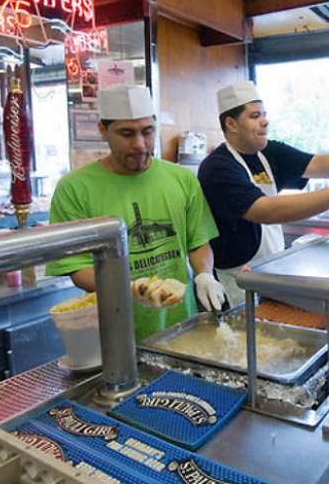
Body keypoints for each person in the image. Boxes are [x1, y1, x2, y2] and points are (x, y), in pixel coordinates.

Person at [197, 80, 329, 307]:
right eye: (255, 116)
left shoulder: (267, 152)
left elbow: (316, 162)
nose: (265, 121)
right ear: (231, 123)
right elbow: (264, 210)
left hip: (268, 270)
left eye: (264, 114)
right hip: (234, 283)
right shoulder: (217, 168)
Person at [46, 85, 225, 343]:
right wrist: (131, 288)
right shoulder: (74, 189)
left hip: (183, 328)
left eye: (147, 131)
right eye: (127, 133)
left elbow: (198, 242)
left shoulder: (182, 179)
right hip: (116, 337)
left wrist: (204, 274)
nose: (140, 144)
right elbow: (77, 269)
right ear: (102, 130)